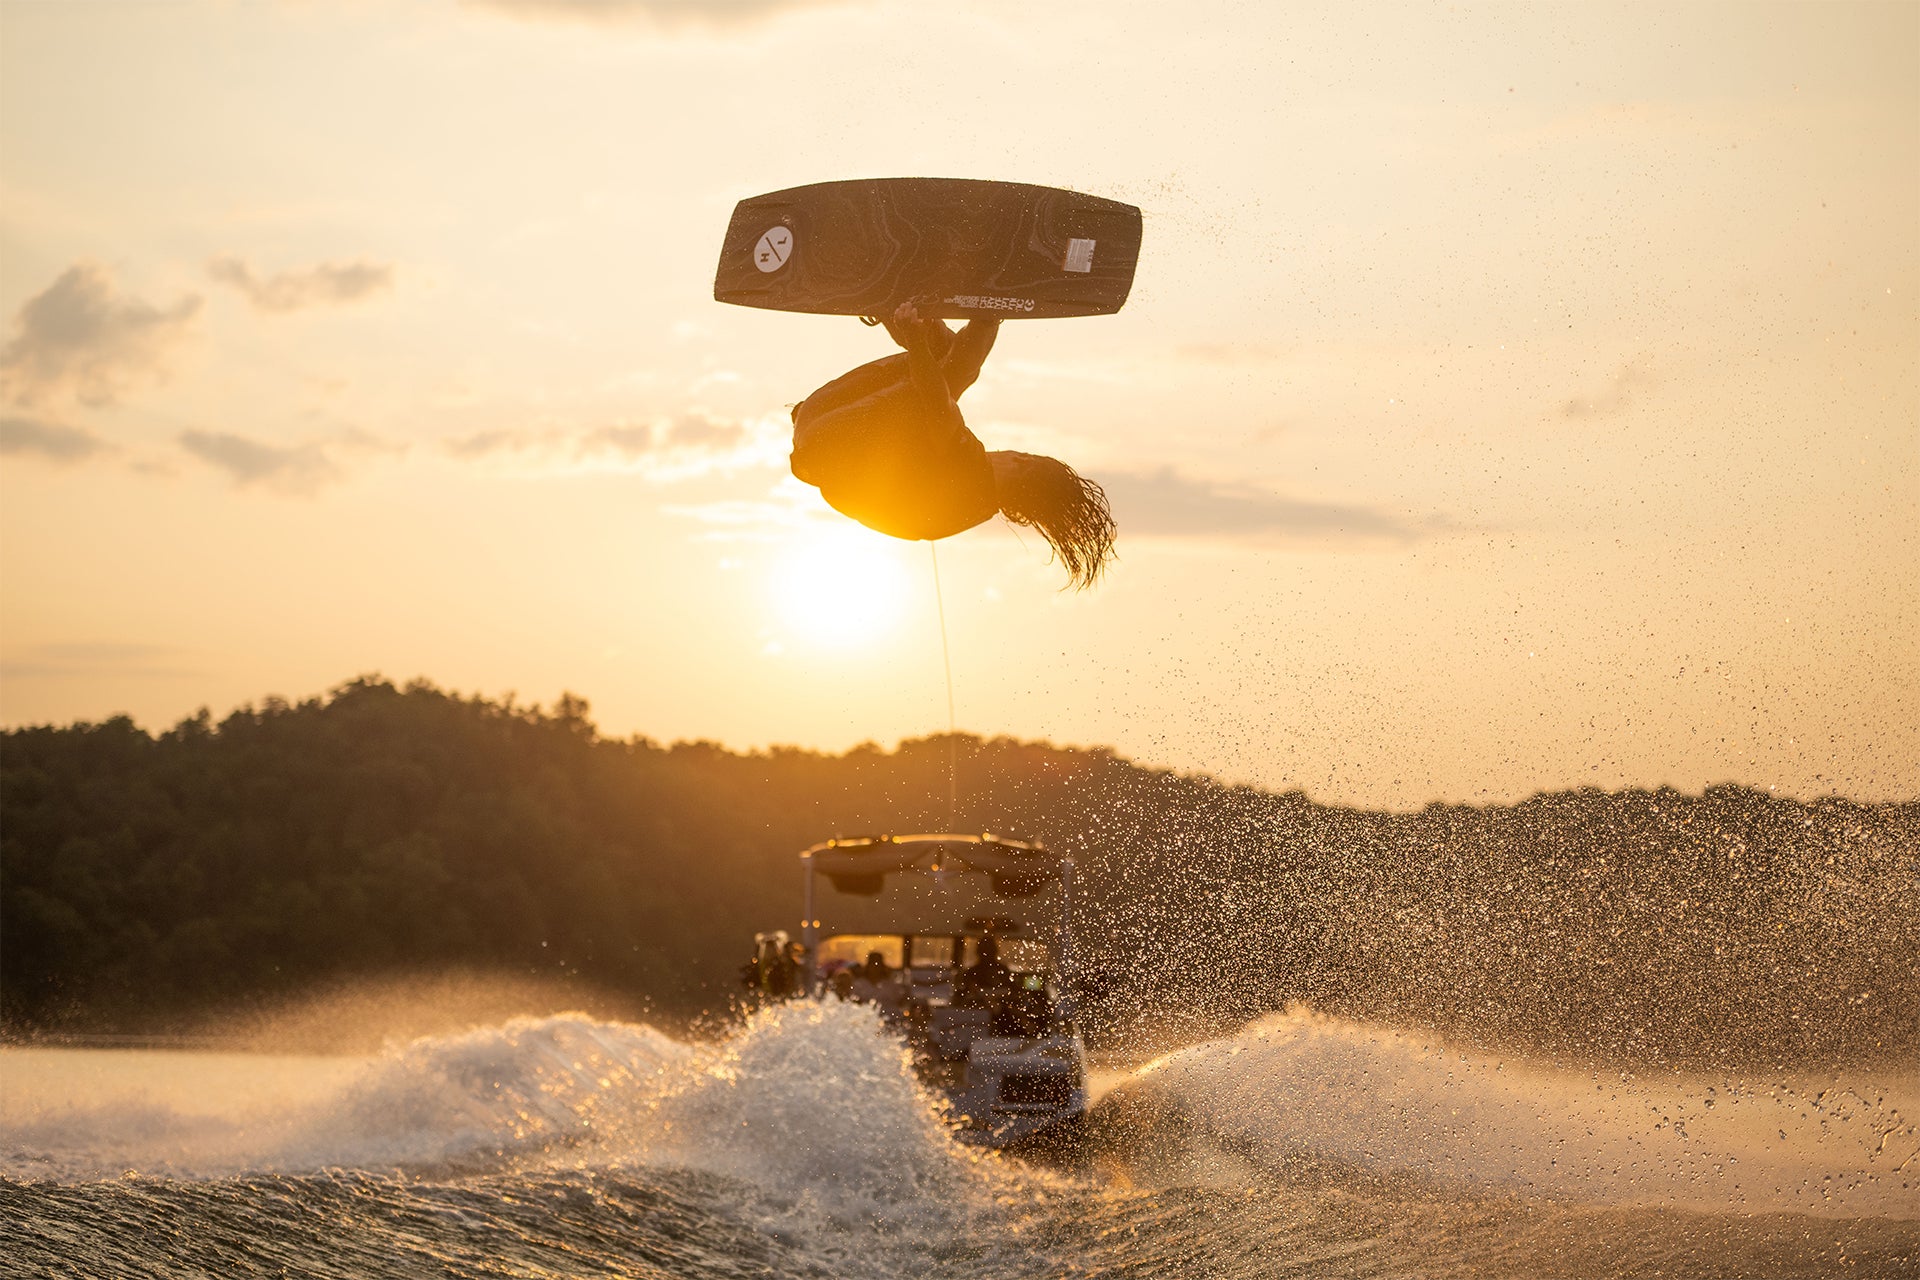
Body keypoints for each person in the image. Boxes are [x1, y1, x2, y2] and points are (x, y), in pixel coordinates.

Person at [789, 303, 1117, 590]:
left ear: (1022, 463)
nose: (1011, 451)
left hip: (828, 435)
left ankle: (926, 310)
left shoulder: (970, 473)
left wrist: (923, 338)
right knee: (944, 356)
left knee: (948, 371)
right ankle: (903, 306)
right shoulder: (972, 506)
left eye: (1026, 453)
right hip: (821, 445)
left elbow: (937, 400)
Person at [952, 935, 1017, 1010]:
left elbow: (1012, 991)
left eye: (988, 951)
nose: (986, 954)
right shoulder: (972, 972)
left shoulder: (1003, 970)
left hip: (999, 1009)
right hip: (977, 1009)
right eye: (984, 951)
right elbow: (962, 993)